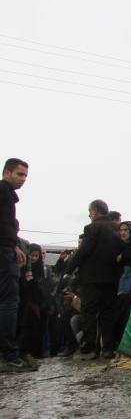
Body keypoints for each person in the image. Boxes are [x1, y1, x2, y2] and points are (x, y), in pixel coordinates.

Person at [65, 199, 121, 359]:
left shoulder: (91, 228)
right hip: (111, 279)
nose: (89, 215)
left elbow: (83, 251)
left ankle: (88, 348)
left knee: (89, 312)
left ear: (95, 211)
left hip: (91, 279)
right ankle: (108, 348)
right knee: (108, 314)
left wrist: (69, 269)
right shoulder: (116, 228)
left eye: (90, 212)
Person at [0, 158, 36, 372]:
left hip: (5, 249)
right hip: (4, 253)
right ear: (7, 173)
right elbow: (4, 225)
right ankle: (9, 355)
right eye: (19, 174)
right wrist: (12, 245)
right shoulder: (4, 193)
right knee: (9, 303)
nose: (23, 179)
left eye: (25, 176)